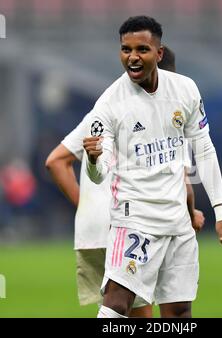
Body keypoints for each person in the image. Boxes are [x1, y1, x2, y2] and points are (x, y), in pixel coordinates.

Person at [83, 15, 222, 318]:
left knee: (179, 312)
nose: (133, 57)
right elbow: (100, 173)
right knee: (117, 305)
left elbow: (203, 149)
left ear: (159, 53)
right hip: (135, 219)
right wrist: (93, 159)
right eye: (126, 50)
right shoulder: (109, 105)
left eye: (142, 49)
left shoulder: (185, 90)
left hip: (178, 223)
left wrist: (221, 211)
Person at [45, 45, 205, 318]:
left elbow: (55, 160)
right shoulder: (152, 112)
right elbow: (179, 177)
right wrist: (190, 214)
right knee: (139, 310)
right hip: (135, 223)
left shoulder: (103, 110)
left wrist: (89, 210)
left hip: (99, 230)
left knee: (131, 313)